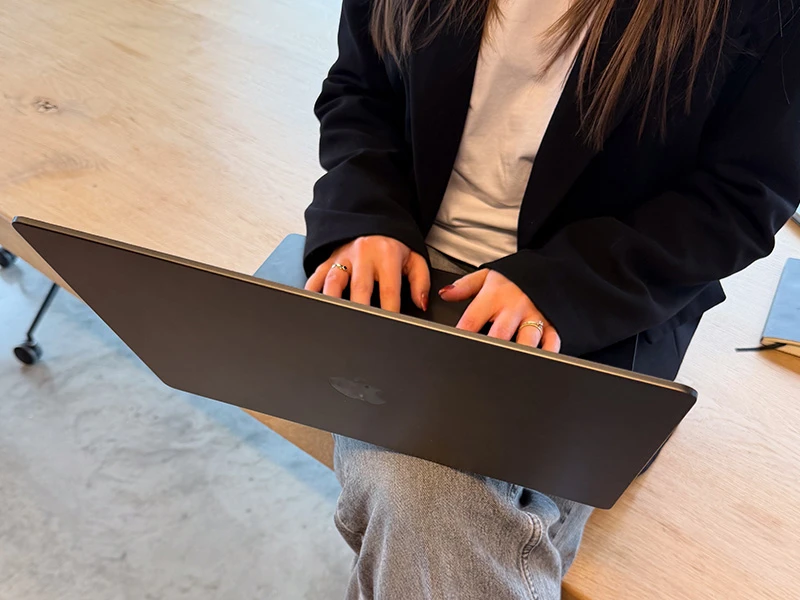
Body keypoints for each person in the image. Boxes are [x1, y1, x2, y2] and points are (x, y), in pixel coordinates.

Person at [303, 0, 800, 597]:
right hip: (406, 274)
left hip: (602, 301)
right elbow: (360, 88)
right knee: (421, 500)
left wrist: (563, 287)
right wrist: (364, 216)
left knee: (416, 497)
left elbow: (741, 200)